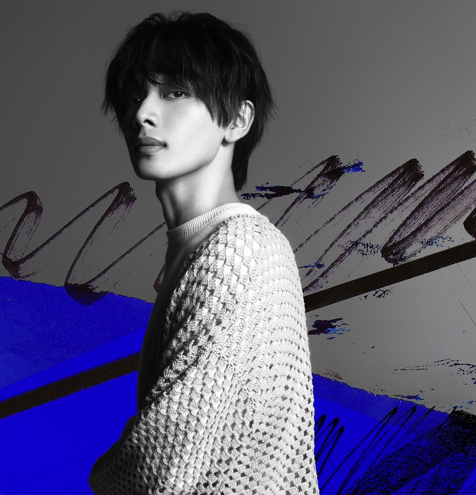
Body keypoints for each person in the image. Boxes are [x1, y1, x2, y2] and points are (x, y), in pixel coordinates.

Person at [90, 11, 318, 494]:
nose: (142, 113)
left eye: (175, 92)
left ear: (236, 119)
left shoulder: (238, 252)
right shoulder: (204, 247)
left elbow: (158, 472)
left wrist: (100, 477)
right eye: (134, 96)